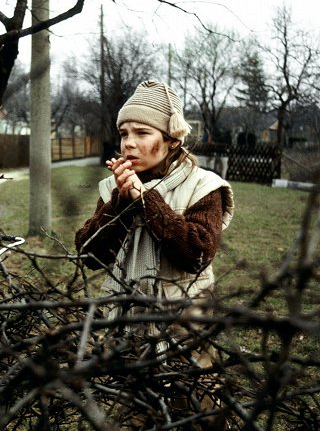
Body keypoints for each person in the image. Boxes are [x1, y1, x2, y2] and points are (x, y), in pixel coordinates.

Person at [75, 80, 234, 341]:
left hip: (185, 326)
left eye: (142, 133)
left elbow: (198, 254)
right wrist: (121, 202)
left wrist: (145, 199)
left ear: (172, 140)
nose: (128, 143)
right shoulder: (114, 187)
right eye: (124, 133)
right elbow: (89, 255)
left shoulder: (204, 186)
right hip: (124, 323)